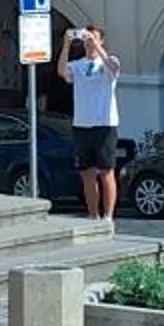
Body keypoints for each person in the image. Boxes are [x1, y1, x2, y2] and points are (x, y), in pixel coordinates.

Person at [59, 23, 121, 221]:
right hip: (82, 124)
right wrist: (66, 45)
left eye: (93, 38)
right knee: (87, 173)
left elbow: (113, 68)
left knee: (106, 171)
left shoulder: (108, 62)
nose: (90, 42)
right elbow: (62, 72)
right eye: (87, 39)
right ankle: (93, 213)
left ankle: (108, 215)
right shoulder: (78, 65)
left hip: (104, 124)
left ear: (101, 40)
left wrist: (99, 48)